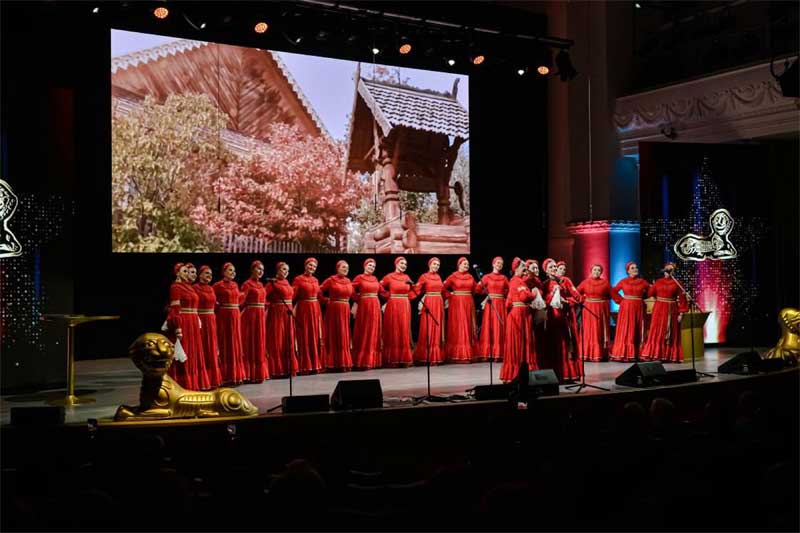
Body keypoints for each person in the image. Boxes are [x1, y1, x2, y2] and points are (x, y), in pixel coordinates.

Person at [166, 263, 211, 390]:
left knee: (194, 353)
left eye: (188, 271)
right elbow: (175, 309)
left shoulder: (189, 287)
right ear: (178, 273)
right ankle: (183, 384)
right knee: (185, 352)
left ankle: (195, 383)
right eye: (184, 271)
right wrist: (178, 327)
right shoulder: (175, 287)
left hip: (193, 323)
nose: (187, 273)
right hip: (184, 322)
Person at [542, 258, 583, 382]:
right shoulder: (545, 284)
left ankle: (568, 374)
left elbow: (577, 298)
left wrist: (568, 302)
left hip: (564, 315)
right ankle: (557, 374)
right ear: (546, 271)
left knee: (567, 343)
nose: (554, 269)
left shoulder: (564, 281)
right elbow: (543, 301)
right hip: (553, 316)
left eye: (555, 267)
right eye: (551, 267)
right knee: (557, 344)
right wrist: (552, 295)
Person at [641, 262, 688, 362]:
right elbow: (650, 293)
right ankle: (655, 354)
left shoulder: (677, 283)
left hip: (671, 309)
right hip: (659, 309)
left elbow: (682, 299)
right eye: (667, 269)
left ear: (673, 271)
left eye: (671, 270)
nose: (668, 271)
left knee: (670, 331)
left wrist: (681, 313)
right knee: (657, 331)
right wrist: (648, 287)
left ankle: (669, 355)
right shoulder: (658, 282)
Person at [500, 258, 538, 382]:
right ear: (516, 268)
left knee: (521, 343)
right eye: (523, 266)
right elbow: (523, 297)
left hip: (519, 313)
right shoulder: (517, 281)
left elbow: (508, 303)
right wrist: (534, 293)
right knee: (521, 343)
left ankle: (517, 372)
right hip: (520, 315)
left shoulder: (516, 281)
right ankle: (519, 373)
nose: (525, 269)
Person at [213, 262, 247, 384]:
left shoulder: (235, 285)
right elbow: (212, 300)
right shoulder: (218, 285)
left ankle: (236, 375)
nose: (233, 273)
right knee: (225, 343)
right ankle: (226, 376)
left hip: (235, 315)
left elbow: (239, 300)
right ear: (223, 272)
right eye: (230, 270)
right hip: (224, 316)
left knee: (235, 343)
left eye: (234, 271)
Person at [380, 256, 417, 367]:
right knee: (393, 329)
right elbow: (379, 287)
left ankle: (403, 358)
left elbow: (413, 289)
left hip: (405, 305)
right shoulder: (389, 277)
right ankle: (393, 359)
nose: (404, 265)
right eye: (401, 263)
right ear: (396, 264)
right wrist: (388, 296)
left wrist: (408, 297)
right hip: (393, 304)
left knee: (404, 329)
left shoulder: (406, 277)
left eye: (405, 264)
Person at [610, 261, 650, 362]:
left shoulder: (643, 281)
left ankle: (639, 353)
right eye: (632, 268)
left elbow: (651, 291)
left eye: (636, 267)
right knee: (627, 328)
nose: (635, 269)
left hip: (639, 306)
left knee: (638, 327)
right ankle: (625, 353)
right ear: (628, 271)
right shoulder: (623, 281)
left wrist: (645, 298)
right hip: (627, 306)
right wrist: (620, 300)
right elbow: (613, 291)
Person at [443, 257, 480, 363]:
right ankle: (457, 354)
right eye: (464, 263)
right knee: (458, 326)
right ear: (459, 264)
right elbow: (443, 288)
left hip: (468, 303)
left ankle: (467, 353)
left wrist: (483, 286)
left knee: (467, 326)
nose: (467, 265)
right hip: (456, 304)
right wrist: (450, 295)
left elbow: (476, 289)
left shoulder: (470, 277)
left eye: (468, 264)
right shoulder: (453, 276)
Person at [320, 260, 354, 372]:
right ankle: (332, 362)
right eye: (344, 267)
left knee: (344, 334)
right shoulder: (331, 280)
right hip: (334, 309)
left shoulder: (349, 281)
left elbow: (354, 295)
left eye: (347, 268)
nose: (346, 269)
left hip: (345, 309)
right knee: (334, 334)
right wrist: (325, 300)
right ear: (337, 268)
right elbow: (318, 291)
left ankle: (343, 362)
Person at [265, 262, 298, 377]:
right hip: (277, 314)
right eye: (284, 269)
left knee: (287, 340)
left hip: (287, 313)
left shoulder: (287, 283)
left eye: (287, 270)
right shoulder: (272, 283)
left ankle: (287, 368)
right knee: (277, 339)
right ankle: (277, 369)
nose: (286, 272)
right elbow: (264, 297)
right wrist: (271, 306)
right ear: (278, 269)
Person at [575, 264, 613, 362]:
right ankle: (587, 353)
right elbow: (576, 293)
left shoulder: (605, 283)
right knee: (588, 330)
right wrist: (582, 299)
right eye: (595, 270)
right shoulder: (585, 282)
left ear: (601, 272)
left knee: (598, 330)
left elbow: (612, 294)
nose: (596, 272)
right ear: (591, 271)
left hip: (601, 310)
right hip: (588, 310)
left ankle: (599, 353)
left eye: (599, 270)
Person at [293, 257, 324, 374]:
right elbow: (293, 295)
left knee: (314, 335)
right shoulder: (298, 279)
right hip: (304, 308)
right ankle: (304, 365)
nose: (312, 268)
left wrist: (329, 300)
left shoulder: (316, 280)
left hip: (315, 308)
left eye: (314, 267)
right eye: (310, 265)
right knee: (304, 335)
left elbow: (319, 295)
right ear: (305, 266)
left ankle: (314, 364)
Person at [475, 257, 508, 363]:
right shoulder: (486, 277)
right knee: (490, 326)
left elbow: (509, 290)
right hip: (491, 304)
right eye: (498, 263)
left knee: (499, 327)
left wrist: (504, 295)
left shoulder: (504, 278)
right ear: (493, 264)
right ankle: (488, 353)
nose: (500, 265)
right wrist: (487, 293)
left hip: (501, 304)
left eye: (501, 263)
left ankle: (499, 353)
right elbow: (477, 290)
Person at [194, 265, 223, 388]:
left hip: (211, 319)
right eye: (206, 273)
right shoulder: (195, 288)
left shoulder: (211, 289)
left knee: (212, 347)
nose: (209, 276)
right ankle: (202, 379)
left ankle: (212, 379)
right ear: (199, 275)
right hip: (201, 320)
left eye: (210, 274)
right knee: (203, 347)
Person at [413, 257, 445, 366]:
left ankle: (435, 355)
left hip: (438, 303)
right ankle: (427, 356)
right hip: (430, 303)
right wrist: (405, 294)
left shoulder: (439, 276)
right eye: (434, 264)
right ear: (429, 264)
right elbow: (416, 290)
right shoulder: (424, 276)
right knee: (428, 327)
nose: (436, 266)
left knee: (437, 328)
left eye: (438, 265)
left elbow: (443, 290)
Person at [351, 258, 382, 370]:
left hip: (375, 306)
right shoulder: (359, 277)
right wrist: (358, 299)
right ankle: (362, 360)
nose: (371, 268)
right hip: (365, 306)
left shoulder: (375, 279)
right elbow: (350, 288)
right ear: (365, 266)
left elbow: (382, 291)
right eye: (370, 265)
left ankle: (372, 361)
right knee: (365, 330)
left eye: (373, 267)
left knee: (374, 330)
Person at [241, 260, 269, 382]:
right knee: (251, 342)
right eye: (258, 269)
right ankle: (249, 373)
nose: (261, 272)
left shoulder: (261, 285)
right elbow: (241, 300)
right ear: (252, 269)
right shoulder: (247, 284)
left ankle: (259, 373)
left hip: (260, 316)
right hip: (251, 316)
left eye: (262, 270)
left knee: (259, 342)